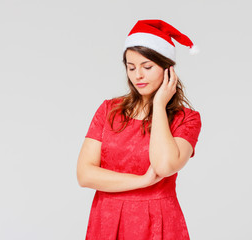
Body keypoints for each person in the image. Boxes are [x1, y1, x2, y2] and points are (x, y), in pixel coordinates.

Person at [77, 19, 202, 240]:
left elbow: (164, 166)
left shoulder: (186, 119)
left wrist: (159, 106)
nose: (138, 76)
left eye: (147, 67)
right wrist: (142, 181)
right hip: (107, 219)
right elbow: (85, 174)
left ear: (167, 69)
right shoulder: (109, 110)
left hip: (159, 221)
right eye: (131, 67)